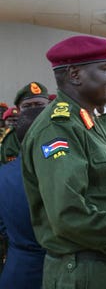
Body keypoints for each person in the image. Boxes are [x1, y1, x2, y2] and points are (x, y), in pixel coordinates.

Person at [21, 35, 106, 288]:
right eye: (105, 68)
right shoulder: (58, 128)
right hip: (87, 270)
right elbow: (69, 213)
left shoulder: (86, 123)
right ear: (75, 75)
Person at [0, 107, 47, 288]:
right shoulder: (55, 173)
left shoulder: (3, 174)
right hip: (53, 271)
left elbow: (3, 226)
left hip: (16, 270)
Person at [1, 82, 51, 164]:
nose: (33, 109)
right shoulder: (13, 137)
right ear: (19, 109)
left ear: (49, 105)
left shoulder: (60, 128)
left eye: (39, 104)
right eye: (27, 106)